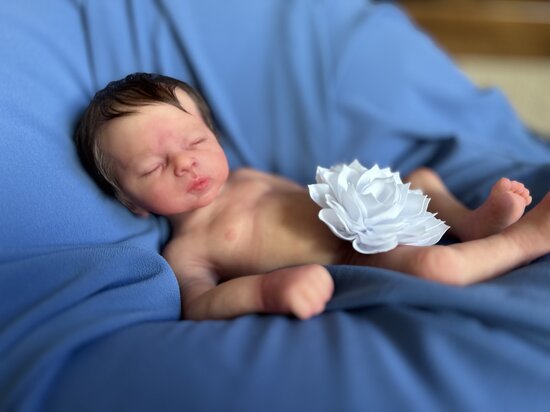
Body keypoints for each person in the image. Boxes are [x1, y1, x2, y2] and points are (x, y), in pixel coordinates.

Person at [75, 73, 550, 321]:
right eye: (154, 167)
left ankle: (470, 224)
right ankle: (523, 240)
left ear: (214, 135)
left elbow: (305, 197)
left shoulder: (248, 176)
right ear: (132, 202)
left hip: (371, 215)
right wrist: (266, 291)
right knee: (435, 268)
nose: (186, 163)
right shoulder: (187, 250)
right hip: (356, 257)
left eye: (196, 141)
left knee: (423, 177)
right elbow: (200, 305)